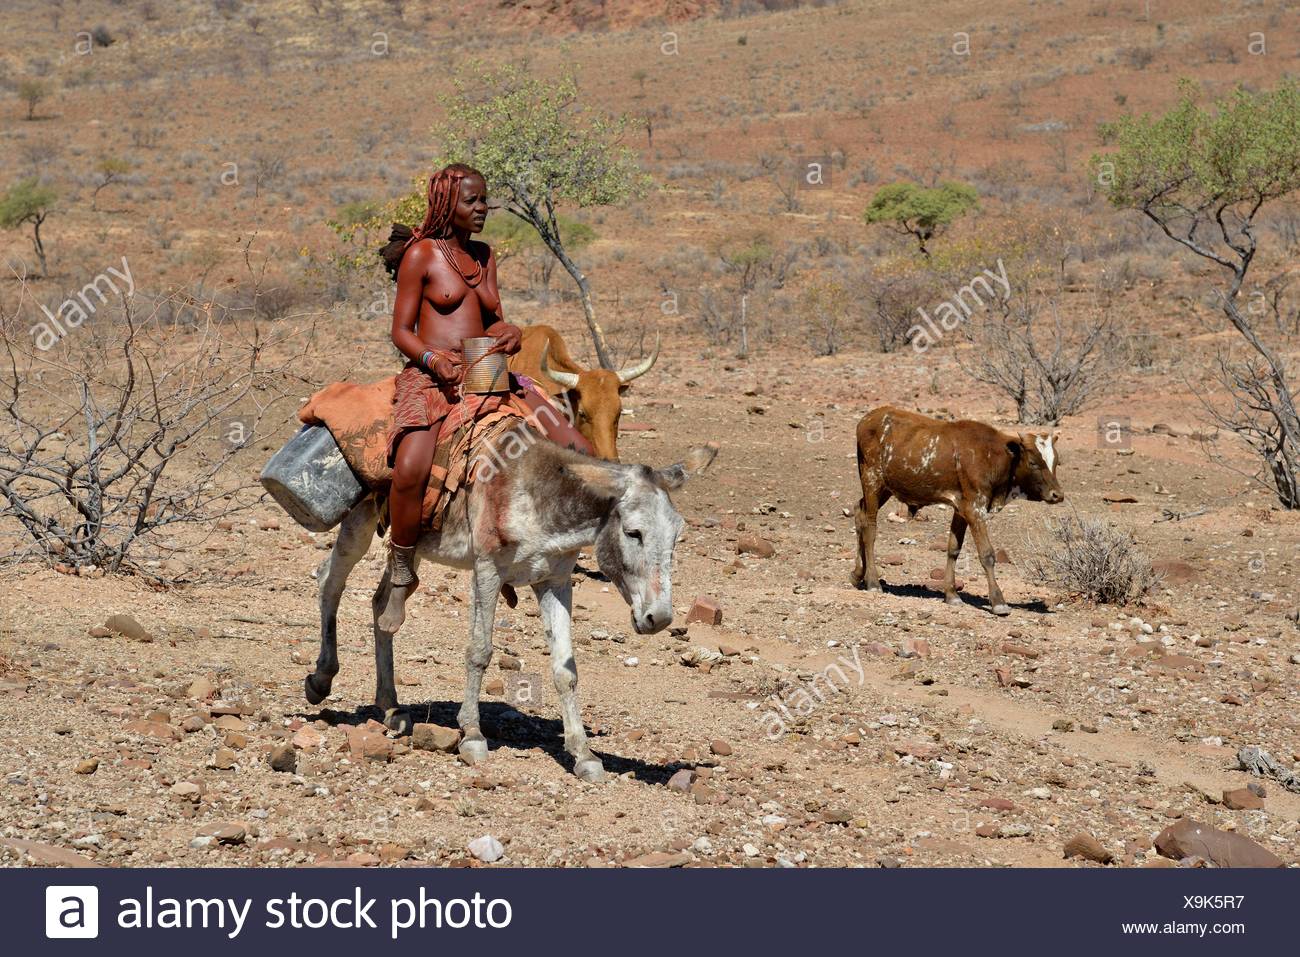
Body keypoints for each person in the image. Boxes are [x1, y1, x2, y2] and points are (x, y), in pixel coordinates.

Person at [378, 163, 592, 633]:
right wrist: (434, 361)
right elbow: (400, 330)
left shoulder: (484, 255)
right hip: (431, 375)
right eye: (472, 201)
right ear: (445, 204)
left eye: (485, 201)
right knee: (412, 465)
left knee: (575, 444)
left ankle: (537, 543)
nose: (482, 210)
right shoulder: (422, 255)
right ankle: (401, 569)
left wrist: (509, 332)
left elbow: (492, 319)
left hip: (487, 370)